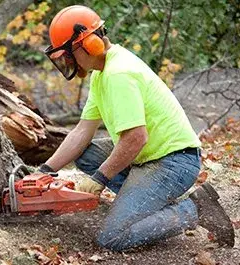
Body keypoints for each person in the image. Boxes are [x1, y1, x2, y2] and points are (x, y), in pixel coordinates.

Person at [39, 5, 235, 251]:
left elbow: (136, 138)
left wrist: (101, 178)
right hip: (148, 155)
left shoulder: (118, 74)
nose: (67, 61)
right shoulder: (101, 73)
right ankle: (145, 203)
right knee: (86, 152)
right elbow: (81, 131)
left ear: (90, 44)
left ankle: (195, 209)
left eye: (68, 53)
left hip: (173, 162)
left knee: (111, 238)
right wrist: (44, 171)